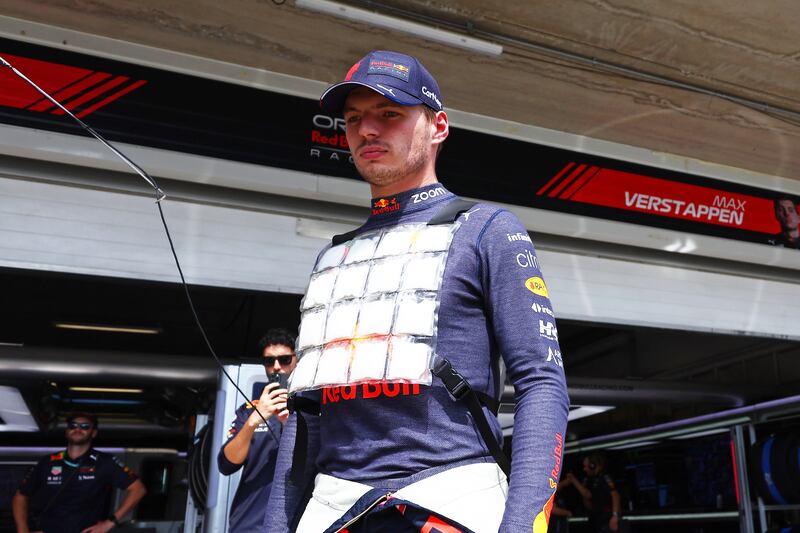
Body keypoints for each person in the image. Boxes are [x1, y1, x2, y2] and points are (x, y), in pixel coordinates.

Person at [265, 50, 569, 532]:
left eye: (389, 114)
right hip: (334, 509)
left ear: (438, 126)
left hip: (452, 504)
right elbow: (306, 416)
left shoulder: (487, 228)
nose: (367, 130)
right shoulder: (332, 257)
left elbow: (542, 383)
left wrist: (523, 526)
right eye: (353, 119)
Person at [12, 412, 146, 533]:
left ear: (93, 433)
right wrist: (23, 529)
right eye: (73, 425)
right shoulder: (47, 462)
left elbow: (138, 489)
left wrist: (110, 523)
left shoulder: (104, 462)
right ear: (66, 431)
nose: (78, 429)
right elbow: (20, 496)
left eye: (85, 426)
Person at [217, 328, 295, 532]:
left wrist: (290, 424)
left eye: (284, 359)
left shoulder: (314, 408)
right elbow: (226, 465)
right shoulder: (249, 411)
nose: (277, 367)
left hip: (298, 522)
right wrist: (254, 420)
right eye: (270, 361)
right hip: (250, 524)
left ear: (297, 360)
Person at [567, 453, 622, 533]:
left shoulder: (605, 477)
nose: (584, 469)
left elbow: (615, 495)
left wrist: (615, 516)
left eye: (586, 466)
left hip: (608, 520)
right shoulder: (593, 479)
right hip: (599, 520)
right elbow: (587, 495)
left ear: (592, 466)